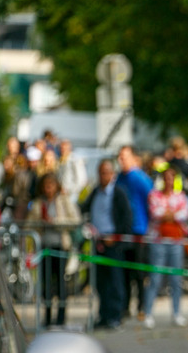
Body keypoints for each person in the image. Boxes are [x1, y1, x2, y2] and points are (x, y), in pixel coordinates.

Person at [82, 159, 133, 330]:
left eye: (106, 172)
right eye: (100, 173)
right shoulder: (95, 192)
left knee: (115, 282)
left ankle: (115, 316)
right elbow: (84, 210)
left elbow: (126, 219)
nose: (103, 176)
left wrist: (116, 237)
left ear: (112, 174)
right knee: (100, 282)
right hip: (97, 243)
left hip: (113, 244)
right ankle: (104, 315)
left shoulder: (118, 193)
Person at [27, 172, 80, 327]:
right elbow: (29, 224)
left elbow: (75, 220)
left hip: (60, 247)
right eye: (46, 185)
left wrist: (56, 221)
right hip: (44, 247)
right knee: (46, 284)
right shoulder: (38, 203)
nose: (48, 189)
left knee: (61, 283)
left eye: (51, 185)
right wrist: (39, 224)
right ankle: (48, 316)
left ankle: (61, 317)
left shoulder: (64, 201)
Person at [142, 165, 188, 329]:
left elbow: (185, 214)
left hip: (176, 242)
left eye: (171, 178)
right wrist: (173, 214)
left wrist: (168, 214)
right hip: (158, 242)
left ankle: (176, 313)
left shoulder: (180, 196)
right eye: (166, 178)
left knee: (176, 280)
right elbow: (155, 213)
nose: (168, 181)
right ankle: (148, 313)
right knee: (155, 278)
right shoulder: (154, 195)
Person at [116, 144, 154, 321]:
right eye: (120, 157)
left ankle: (141, 305)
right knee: (124, 272)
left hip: (139, 230)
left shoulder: (140, 178)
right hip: (123, 231)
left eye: (124, 157)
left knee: (139, 271)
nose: (121, 160)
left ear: (133, 158)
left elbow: (151, 199)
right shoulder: (119, 178)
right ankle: (125, 306)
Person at [58, 139, 88, 207]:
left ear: (69, 148)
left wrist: (69, 190)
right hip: (63, 195)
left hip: (73, 195)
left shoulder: (75, 160)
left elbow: (81, 180)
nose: (62, 150)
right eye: (61, 148)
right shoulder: (61, 161)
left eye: (64, 148)